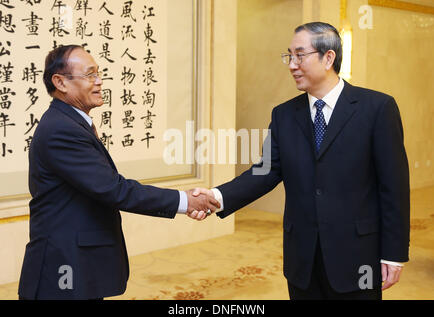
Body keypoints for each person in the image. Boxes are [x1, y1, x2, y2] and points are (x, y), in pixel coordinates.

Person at [190, 22, 410, 300]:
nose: (292, 64)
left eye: (300, 55)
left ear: (328, 57)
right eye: (288, 56)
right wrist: (217, 196)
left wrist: (394, 252)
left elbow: (394, 187)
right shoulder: (284, 115)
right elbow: (266, 171)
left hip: (357, 255)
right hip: (302, 258)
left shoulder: (377, 108)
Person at [18, 45, 219, 300]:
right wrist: (185, 201)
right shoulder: (61, 129)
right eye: (90, 75)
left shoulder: (70, 122)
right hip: (63, 266)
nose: (99, 81)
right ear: (61, 82)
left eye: (98, 73)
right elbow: (114, 189)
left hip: (75, 262)